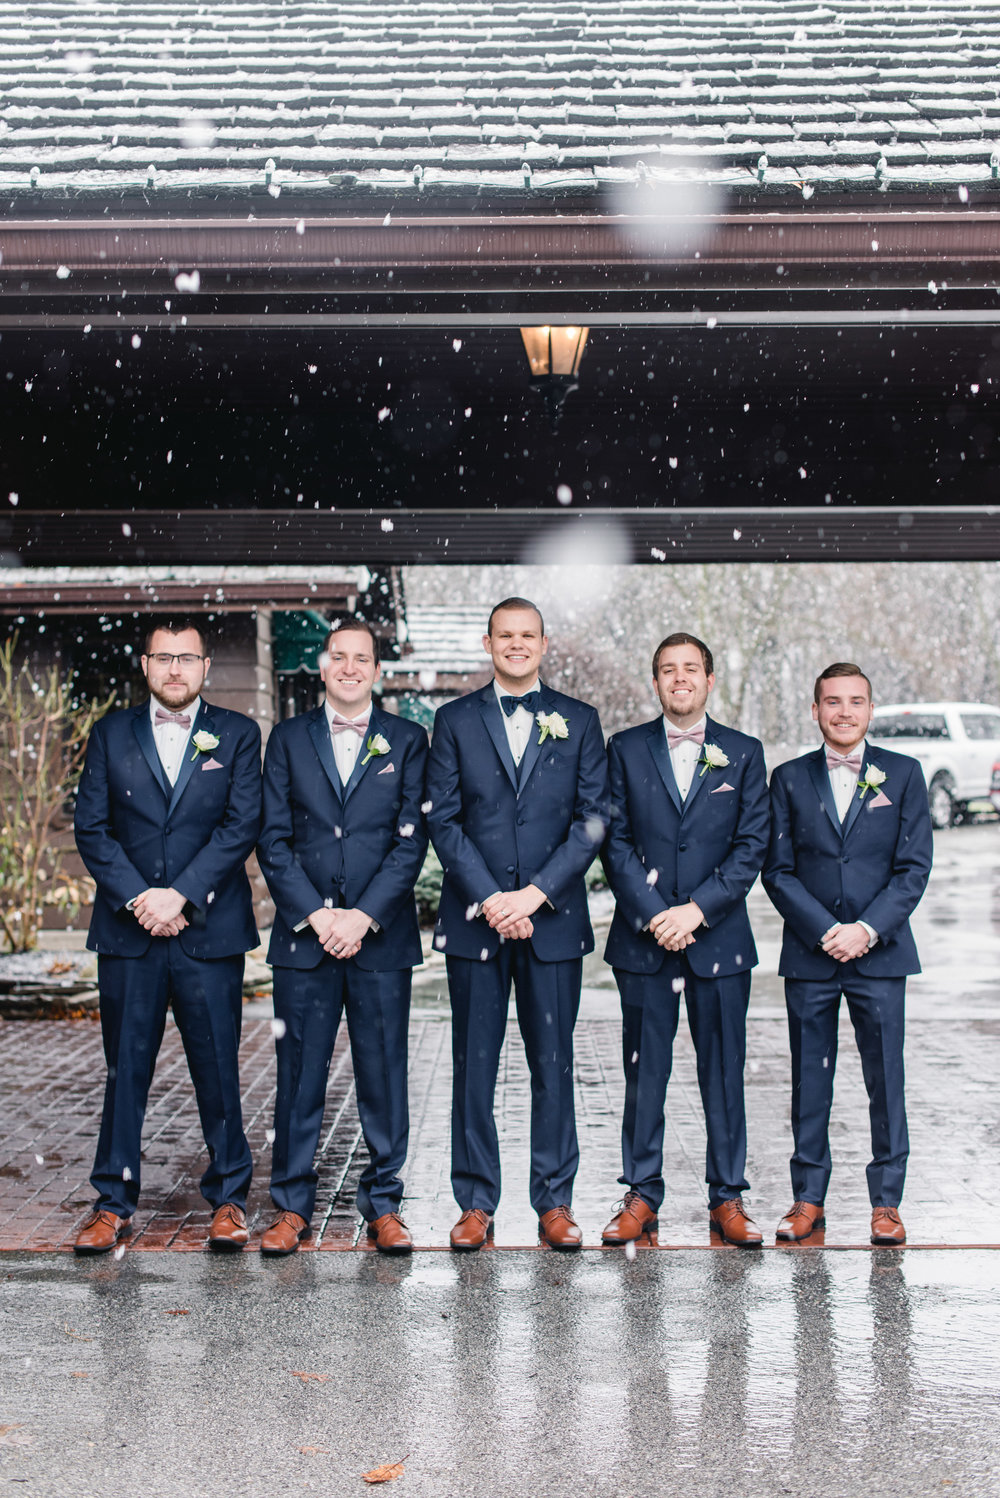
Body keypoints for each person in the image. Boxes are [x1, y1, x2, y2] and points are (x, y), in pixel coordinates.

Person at [426, 597, 609, 1251]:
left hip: (552, 921)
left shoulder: (580, 722)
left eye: (527, 635)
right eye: (505, 635)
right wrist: (491, 900)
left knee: (552, 1064)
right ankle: (476, 1202)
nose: (516, 645)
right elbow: (442, 820)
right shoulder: (451, 721)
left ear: (544, 642)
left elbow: (592, 820)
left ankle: (554, 1200)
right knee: (474, 1064)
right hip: (476, 924)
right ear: (487, 643)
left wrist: (532, 896)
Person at [73, 619, 262, 1254]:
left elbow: (240, 827)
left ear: (206, 667)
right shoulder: (109, 735)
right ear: (145, 666)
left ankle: (231, 1199)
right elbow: (92, 830)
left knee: (218, 1071)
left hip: (208, 933)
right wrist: (141, 898)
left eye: (187, 658)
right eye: (163, 657)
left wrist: (179, 894)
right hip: (130, 936)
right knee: (125, 1071)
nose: (174, 669)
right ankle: (111, 1202)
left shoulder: (237, 735)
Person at [256, 620, 428, 1256]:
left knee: (382, 1074)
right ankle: (291, 1205)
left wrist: (362, 916)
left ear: (377, 671)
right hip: (306, 938)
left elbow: (412, 840)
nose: (350, 668)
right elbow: (271, 839)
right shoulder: (288, 739)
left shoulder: (408, 740)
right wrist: (319, 915)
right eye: (339, 657)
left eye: (363, 659)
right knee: (300, 1072)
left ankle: (384, 1203)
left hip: (381, 937)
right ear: (322, 668)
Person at [601, 632, 770, 1247]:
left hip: (719, 940)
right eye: (668, 670)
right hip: (644, 942)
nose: (680, 679)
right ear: (655, 682)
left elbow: (752, 846)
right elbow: (612, 843)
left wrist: (696, 911)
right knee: (644, 1072)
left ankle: (727, 1197)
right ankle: (642, 1193)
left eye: (691, 669)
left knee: (723, 1072)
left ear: (709, 680)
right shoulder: (623, 750)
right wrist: (654, 915)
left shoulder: (745, 754)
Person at [763, 663, 933, 1245]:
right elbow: (778, 872)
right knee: (811, 1080)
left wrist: (866, 929)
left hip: (880, 956)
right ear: (815, 711)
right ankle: (808, 1197)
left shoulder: (904, 774)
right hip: (811, 957)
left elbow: (913, 870)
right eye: (832, 702)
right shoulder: (787, 778)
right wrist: (824, 930)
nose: (843, 712)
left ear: (870, 709)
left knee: (885, 1081)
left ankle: (887, 1202)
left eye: (855, 702)